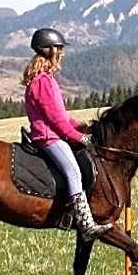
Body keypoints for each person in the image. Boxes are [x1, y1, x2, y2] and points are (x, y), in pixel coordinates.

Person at [22, 28, 112, 240]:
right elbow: (57, 122)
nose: (62, 53)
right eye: (59, 49)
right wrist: (80, 138)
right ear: (49, 51)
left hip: (53, 133)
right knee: (73, 170)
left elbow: (61, 115)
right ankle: (85, 223)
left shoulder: (46, 79)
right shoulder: (43, 82)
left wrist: (81, 126)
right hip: (48, 138)